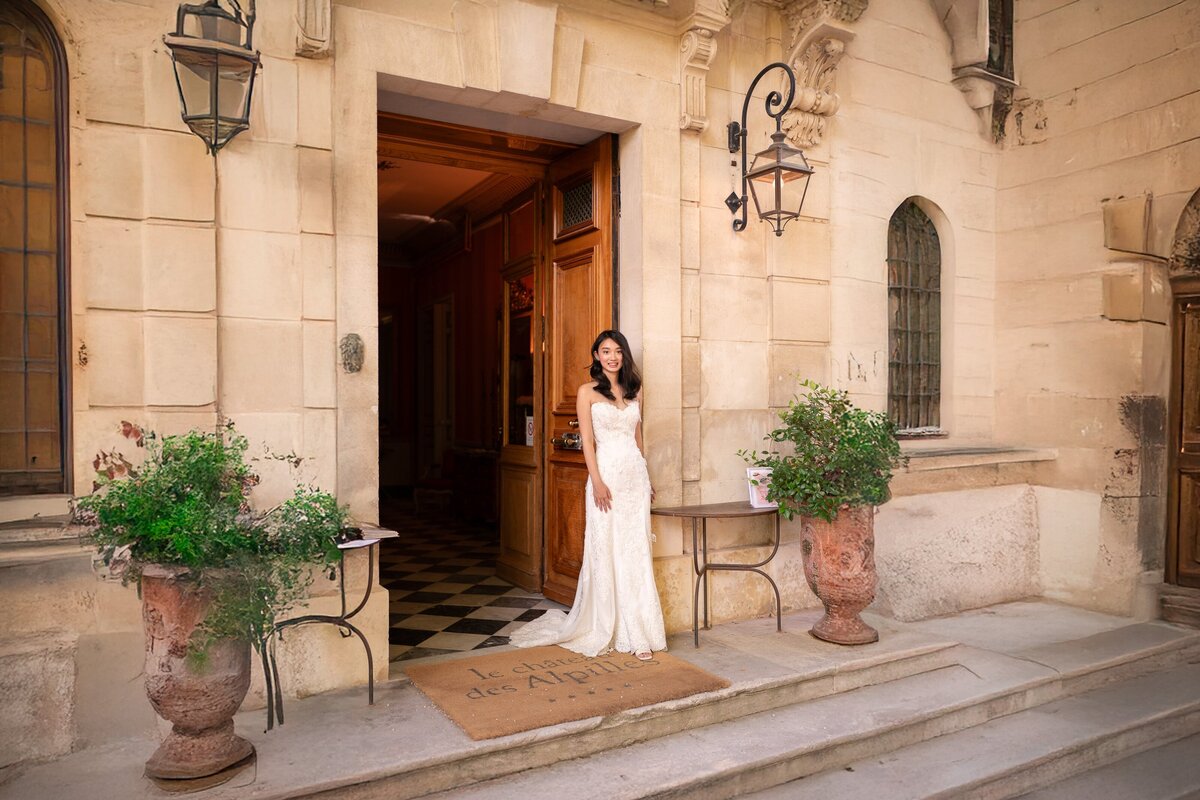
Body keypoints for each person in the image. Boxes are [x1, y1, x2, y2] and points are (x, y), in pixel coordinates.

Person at [509, 330, 667, 660]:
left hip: (634, 480)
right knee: (608, 549)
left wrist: (646, 478)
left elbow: (638, 438)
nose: (612, 356)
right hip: (606, 477)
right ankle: (617, 629)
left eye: (618, 351)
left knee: (635, 551)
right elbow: (589, 442)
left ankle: (641, 629)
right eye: (605, 351)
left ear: (624, 356)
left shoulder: (635, 391)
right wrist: (596, 480)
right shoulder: (587, 392)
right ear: (596, 355)